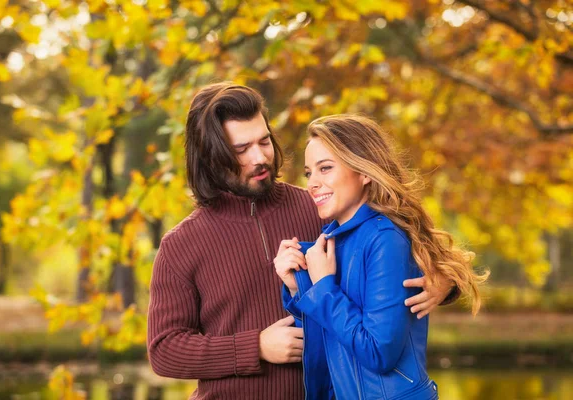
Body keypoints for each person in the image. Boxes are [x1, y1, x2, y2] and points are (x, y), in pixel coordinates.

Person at [147, 83, 458, 400]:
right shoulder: (181, 245)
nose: (260, 157)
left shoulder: (324, 207)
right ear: (212, 157)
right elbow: (164, 350)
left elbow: (406, 248)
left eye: (264, 141)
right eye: (241, 150)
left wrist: (443, 281)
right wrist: (254, 346)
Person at [274, 115, 488, 399]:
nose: (313, 183)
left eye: (325, 168)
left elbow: (378, 352)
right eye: (308, 173)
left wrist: (323, 287)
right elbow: (332, 345)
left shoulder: (385, 238)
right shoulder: (331, 243)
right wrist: (297, 286)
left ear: (364, 172)